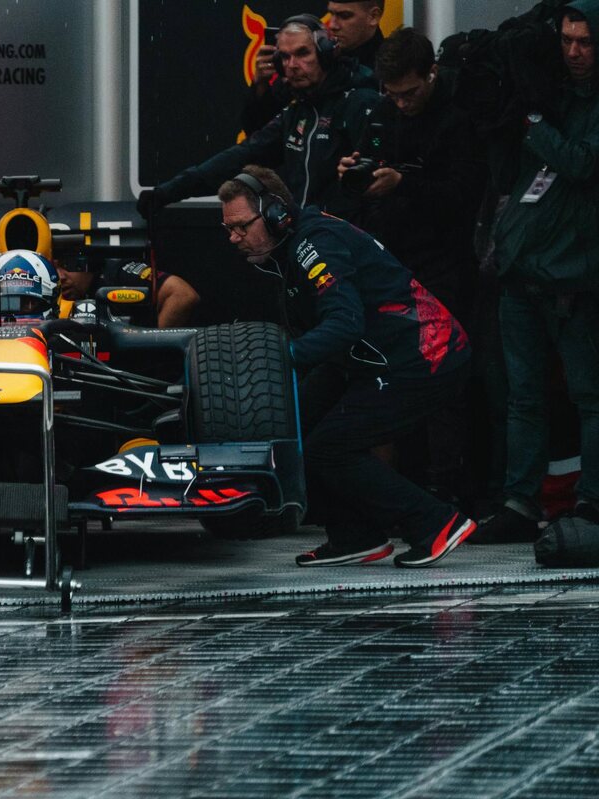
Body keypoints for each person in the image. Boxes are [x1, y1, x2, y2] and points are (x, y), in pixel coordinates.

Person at [217, 165, 475, 567]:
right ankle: (355, 536)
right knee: (294, 425)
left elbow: (344, 323)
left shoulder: (315, 244)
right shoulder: (292, 246)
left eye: (241, 227)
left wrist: (282, 357)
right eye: (228, 229)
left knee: (329, 448)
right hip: (373, 355)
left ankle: (435, 522)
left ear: (276, 214)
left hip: (423, 357)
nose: (234, 238)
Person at [338, 27, 487, 502]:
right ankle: (395, 489)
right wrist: (352, 174)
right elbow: (363, 181)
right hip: (390, 262)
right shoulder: (383, 113)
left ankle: (449, 485)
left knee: (445, 377)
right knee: (387, 375)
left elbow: (464, 196)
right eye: (393, 93)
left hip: (444, 263)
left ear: (432, 74)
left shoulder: (458, 119)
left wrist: (403, 183)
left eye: (410, 93)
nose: (402, 102)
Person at [474, 0, 599, 543]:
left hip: (576, 278)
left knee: (590, 396)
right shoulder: (549, 93)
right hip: (522, 270)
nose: (573, 52)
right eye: (566, 40)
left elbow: (580, 163)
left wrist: (531, 118)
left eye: (585, 42)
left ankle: (592, 502)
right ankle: (520, 502)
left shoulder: (549, 106)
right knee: (522, 397)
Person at [142, 15, 380, 223]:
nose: (292, 65)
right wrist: (167, 192)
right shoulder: (297, 110)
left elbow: (380, 179)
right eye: (284, 57)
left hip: (351, 243)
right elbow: (238, 158)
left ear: (326, 53)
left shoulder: (360, 102)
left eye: (302, 53)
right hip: (311, 237)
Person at [242, 1, 386, 136]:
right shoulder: (316, 55)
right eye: (331, 14)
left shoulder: (389, 67)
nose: (333, 25)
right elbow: (256, 131)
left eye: (344, 16)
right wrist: (260, 85)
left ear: (373, 16)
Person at [56, 255, 200, 328]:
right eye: (51, 267)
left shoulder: (118, 273)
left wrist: (155, 346)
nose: (60, 276)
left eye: (67, 265)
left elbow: (183, 295)